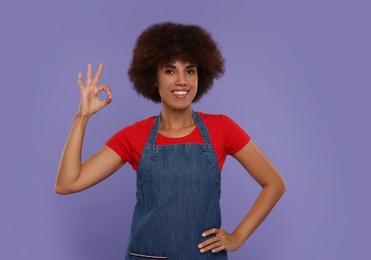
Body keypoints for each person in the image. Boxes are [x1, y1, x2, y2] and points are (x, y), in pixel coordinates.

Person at [55, 22, 286, 259]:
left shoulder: (222, 128)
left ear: (200, 75)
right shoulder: (134, 136)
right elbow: (67, 184)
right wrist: (81, 118)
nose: (182, 81)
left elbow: (274, 184)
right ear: (152, 78)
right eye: (169, 70)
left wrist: (238, 236)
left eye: (190, 70)